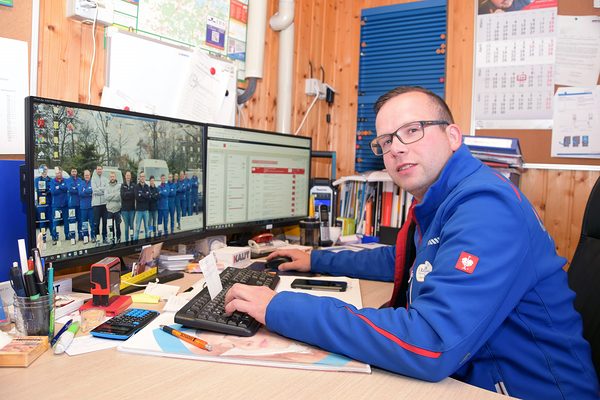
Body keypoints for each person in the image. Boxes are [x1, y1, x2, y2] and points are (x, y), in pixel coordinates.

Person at [224, 86, 599, 399]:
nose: (396, 148)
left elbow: (431, 342)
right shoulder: (445, 198)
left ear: (453, 136)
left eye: (413, 130)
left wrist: (280, 307)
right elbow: (403, 261)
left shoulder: (486, 207)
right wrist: (317, 260)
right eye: (386, 141)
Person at [49, 168, 69, 244]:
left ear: (61, 173)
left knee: (66, 221)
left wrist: (59, 187)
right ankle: (55, 236)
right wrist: (61, 187)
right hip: (56, 205)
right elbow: (53, 191)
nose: (59, 174)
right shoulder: (52, 181)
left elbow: (66, 188)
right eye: (57, 173)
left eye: (60, 173)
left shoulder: (65, 180)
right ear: (55, 174)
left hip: (65, 204)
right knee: (55, 221)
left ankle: (67, 235)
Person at [91, 165, 109, 243]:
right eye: (98, 169)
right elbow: (94, 191)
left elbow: (107, 189)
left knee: (105, 222)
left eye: (100, 169)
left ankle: (105, 237)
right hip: (96, 204)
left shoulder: (105, 179)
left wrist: (100, 189)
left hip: (104, 204)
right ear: (96, 170)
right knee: (96, 222)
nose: (99, 170)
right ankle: (97, 237)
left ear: (102, 170)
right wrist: (102, 189)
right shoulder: (93, 179)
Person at [105, 171, 122, 243]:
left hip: (117, 210)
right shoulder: (107, 186)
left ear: (115, 177)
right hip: (109, 210)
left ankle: (118, 238)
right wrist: (114, 194)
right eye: (111, 176)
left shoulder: (119, 186)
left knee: (118, 226)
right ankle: (112, 238)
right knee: (110, 226)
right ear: (109, 177)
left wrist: (110, 195)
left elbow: (119, 197)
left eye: (113, 176)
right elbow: (106, 197)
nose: (112, 178)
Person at [134, 171, 151, 241]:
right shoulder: (136, 187)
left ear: (145, 178)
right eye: (141, 176)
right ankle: (135, 243)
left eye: (143, 176)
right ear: (139, 178)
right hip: (139, 211)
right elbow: (137, 197)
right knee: (137, 228)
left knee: (147, 227)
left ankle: (147, 243)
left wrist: (141, 194)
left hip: (146, 211)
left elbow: (149, 197)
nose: (142, 178)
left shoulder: (147, 186)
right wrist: (145, 195)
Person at [78, 169, 94, 242]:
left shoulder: (92, 183)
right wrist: (88, 192)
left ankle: (93, 237)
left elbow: (93, 192)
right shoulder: (81, 183)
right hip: (83, 207)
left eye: (88, 175)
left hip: (91, 207)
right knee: (84, 223)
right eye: (85, 175)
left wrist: (85, 191)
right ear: (84, 176)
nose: (87, 176)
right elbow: (80, 193)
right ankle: (85, 237)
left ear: (90, 175)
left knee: (92, 223)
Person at [66, 168, 82, 241]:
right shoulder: (68, 180)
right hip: (71, 204)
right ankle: (72, 236)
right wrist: (77, 188)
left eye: (75, 171)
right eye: (72, 171)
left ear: (77, 172)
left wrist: (75, 188)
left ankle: (80, 236)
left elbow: (81, 189)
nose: (74, 173)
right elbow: (70, 190)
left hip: (79, 204)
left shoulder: (80, 180)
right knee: (72, 221)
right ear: (70, 172)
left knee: (80, 220)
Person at [120, 171, 136, 242]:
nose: (128, 177)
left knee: (131, 226)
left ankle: (132, 239)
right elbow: (123, 196)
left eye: (129, 175)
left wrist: (127, 194)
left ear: (130, 176)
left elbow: (134, 195)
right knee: (126, 227)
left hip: (132, 209)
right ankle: (126, 240)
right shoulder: (122, 185)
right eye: (127, 175)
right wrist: (130, 193)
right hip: (124, 210)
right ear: (125, 176)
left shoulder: (133, 185)